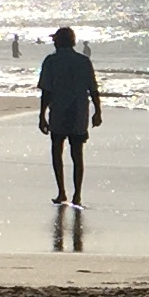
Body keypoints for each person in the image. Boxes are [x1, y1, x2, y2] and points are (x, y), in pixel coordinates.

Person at [38, 25, 104, 206]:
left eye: (55, 39)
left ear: (59, 42)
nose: (53, 42)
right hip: (78, 112)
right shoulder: (83, 61)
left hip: (59, 111)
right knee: (77, 154)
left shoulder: (51, 61)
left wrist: (42, 115)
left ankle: (61, 192)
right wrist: (98, 111)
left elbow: (47, 91)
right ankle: (77, 194)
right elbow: (93, 89)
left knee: (57, 151)